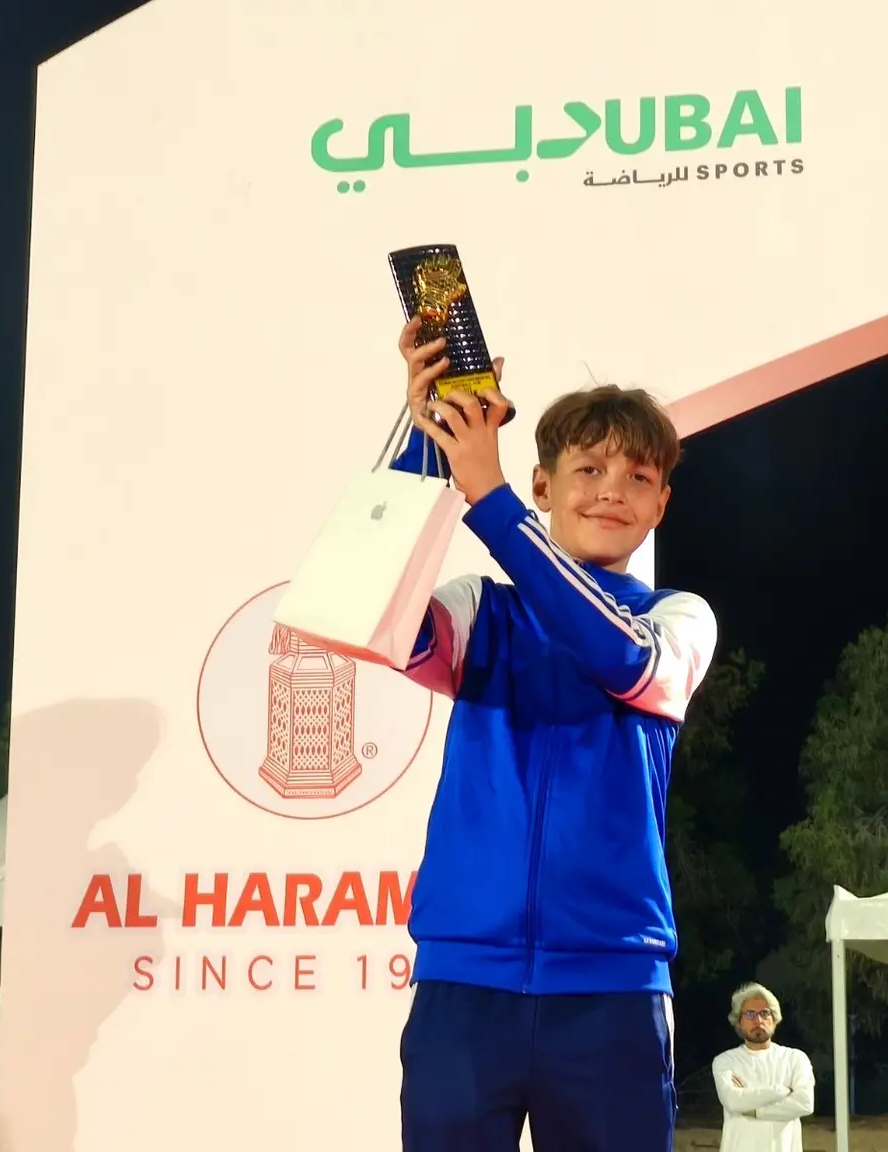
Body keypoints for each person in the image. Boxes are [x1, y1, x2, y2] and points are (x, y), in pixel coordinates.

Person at [389, 318, 718, 1152]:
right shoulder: (481, 610)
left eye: (638, 476)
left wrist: (491, 502)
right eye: (589, 469)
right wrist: (425, 439)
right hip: (465, 986)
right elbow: (374, 617)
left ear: (661, 504)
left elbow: (620, 659)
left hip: (612, 991)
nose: (612, 491)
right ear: (543, 484)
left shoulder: (679, 619)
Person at [710, 982, 815, 1152]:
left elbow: (805, 1103)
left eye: (765, 1013)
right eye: (750, 1014)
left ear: (775, 1020)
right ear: (738, 1021)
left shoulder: (795, 1058)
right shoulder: (726, 1061)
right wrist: (780, 1091)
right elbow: (733, 1101)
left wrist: (754, 1111)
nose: (758, 1020)